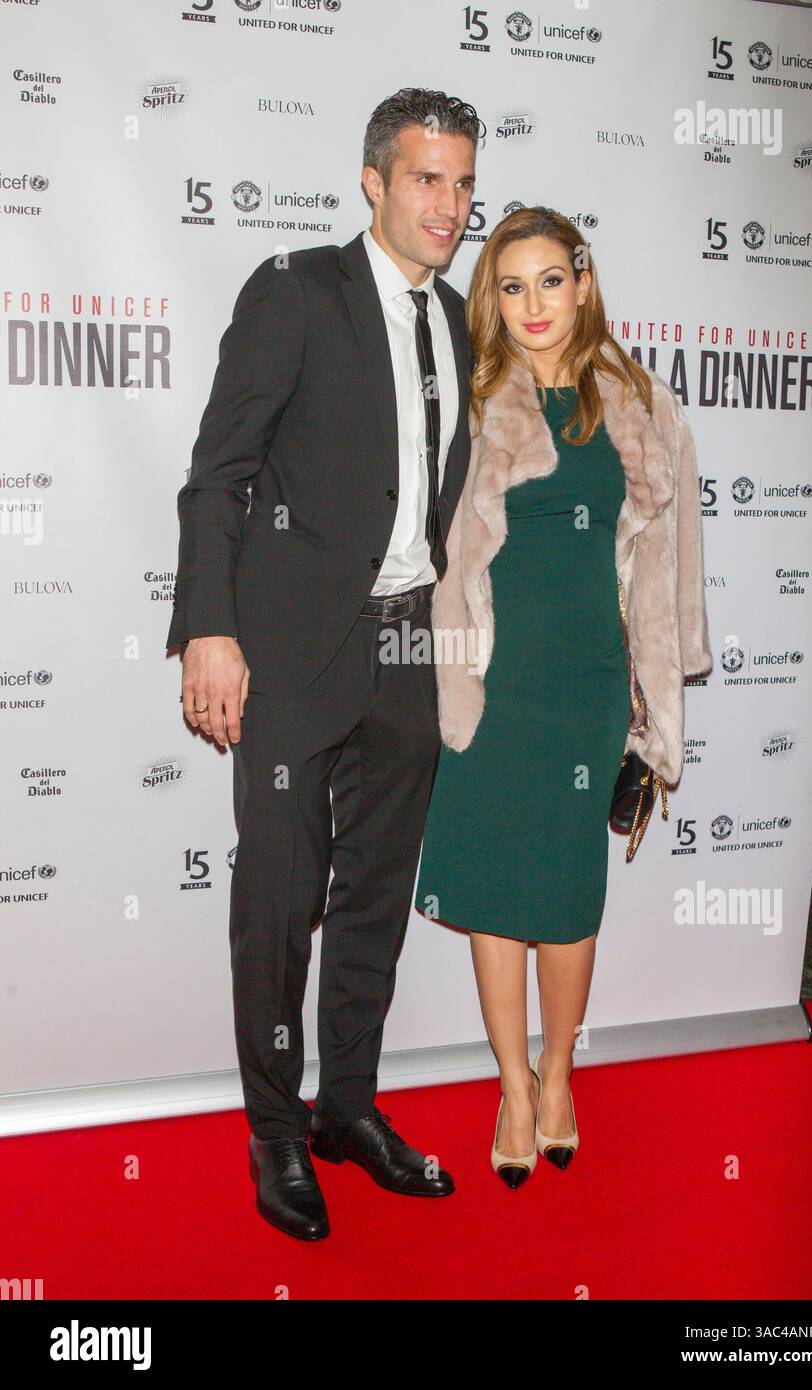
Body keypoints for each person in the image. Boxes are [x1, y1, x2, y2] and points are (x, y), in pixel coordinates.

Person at [166, 88, 482, 1239]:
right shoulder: (295, 290)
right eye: (423, 180)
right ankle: (272, 1127)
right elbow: (218, 474)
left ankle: (348, 1107)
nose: (445, 205)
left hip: (407, 639)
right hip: (292, 646)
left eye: (459, 184)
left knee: (373, 900)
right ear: (373, 180)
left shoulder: (457, 319)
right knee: (280, 896)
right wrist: (211, 628)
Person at [414, 206, 713, 1188]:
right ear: (489, 302)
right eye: (510, 285)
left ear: (581, 285)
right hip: (488, 682)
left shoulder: (635, 405)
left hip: (586, 680)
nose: (532, 303)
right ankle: (509, 1082)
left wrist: (658, 696)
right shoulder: (462, 402)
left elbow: (670, 567)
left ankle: (556, 1070)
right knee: (498, 895)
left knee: (568, 895)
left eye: (550, 280)